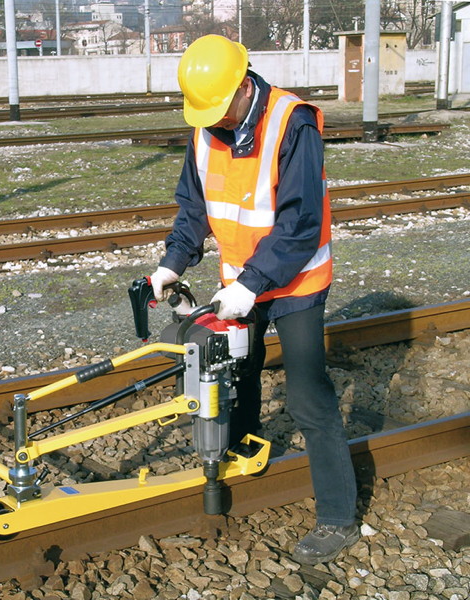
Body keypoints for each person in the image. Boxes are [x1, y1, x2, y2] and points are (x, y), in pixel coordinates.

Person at [149, 34, 359, 565]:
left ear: (245, 87)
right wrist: (174, 260)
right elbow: (194, 205)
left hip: (295, 283)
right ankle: (243, 455)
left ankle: (338, 517)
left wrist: (250, 284)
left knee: (309, 396)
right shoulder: (206, 127)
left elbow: (300, 221)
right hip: (240, 281)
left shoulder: (292, 123)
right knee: (236, 373)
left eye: (221, 110)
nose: (214, 122)